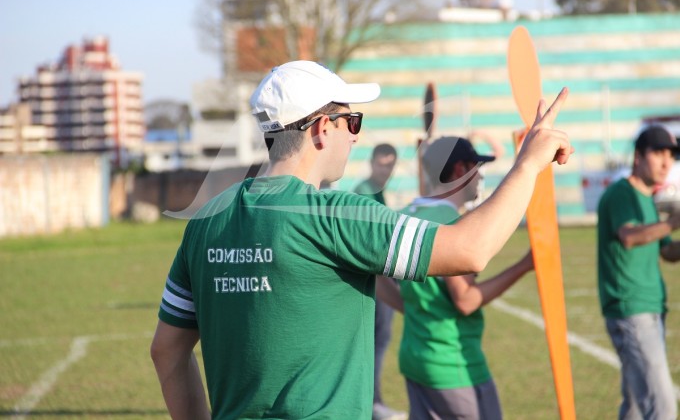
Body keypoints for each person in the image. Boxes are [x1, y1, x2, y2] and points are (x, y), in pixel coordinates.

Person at [150, 60, 572, 419]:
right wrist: (528, 165)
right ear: (320, 129)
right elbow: (469, 250)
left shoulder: (205, 223)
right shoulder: (336, 215)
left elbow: (167, 351)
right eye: (352, 121)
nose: (355, 135)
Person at [378, 136, 535, 420]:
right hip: (453, 365)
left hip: (416, 357)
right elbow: (465, 299)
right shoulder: (450, 222)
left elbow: (376, 277)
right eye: (477, 168)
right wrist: (524, 265)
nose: (480, 177)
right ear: (461, 169)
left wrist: (413, 309)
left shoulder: (406, 213)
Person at [597, 125, 680, 420]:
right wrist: (673, 222)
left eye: (671, 154)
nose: (666, 162)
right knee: (663, 407)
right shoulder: (622, 193)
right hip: (631, 308)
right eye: (658, 153)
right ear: (637, 156)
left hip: (651, 307)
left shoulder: (648, 200)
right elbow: (630, 236)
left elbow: (667, 251)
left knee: (634, 406)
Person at [353, 143, 405, 420]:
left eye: (390, 164)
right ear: (372, 162)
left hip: (379, 279)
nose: (385, 170)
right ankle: (373, 404)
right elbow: (373, 243)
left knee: (377, 341)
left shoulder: (377, 191)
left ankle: (374, 402)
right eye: (382, 163)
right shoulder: (365, 192)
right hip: (375, 281)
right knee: (375, 342)